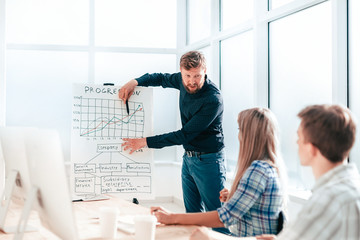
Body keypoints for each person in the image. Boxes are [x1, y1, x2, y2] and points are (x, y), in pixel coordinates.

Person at [119, 51, 228, 233]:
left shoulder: (212, 99)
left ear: (205, 71)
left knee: (218, 219)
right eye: (187, 76)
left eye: (197, 76)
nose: (192, 81)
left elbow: (184, 135)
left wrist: (144, 142)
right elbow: (160, 78)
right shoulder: (181, 80)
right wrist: (135, 81)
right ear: (181, 71)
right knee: (191, 217)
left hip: (209, 161)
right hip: (189, 159)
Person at [151, 108, 287, 238]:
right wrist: (235, 196)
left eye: (240, 130)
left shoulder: (258, 170)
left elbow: (224, 218)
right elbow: (257, 206)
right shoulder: (268, 167)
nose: (238, 135)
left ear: (250, 135)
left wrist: (172, 218)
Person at [255, 104, 360, 240]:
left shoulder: (329, 199)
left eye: (299, 137)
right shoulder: (352, 187)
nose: (297, 143)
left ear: (311, 148)